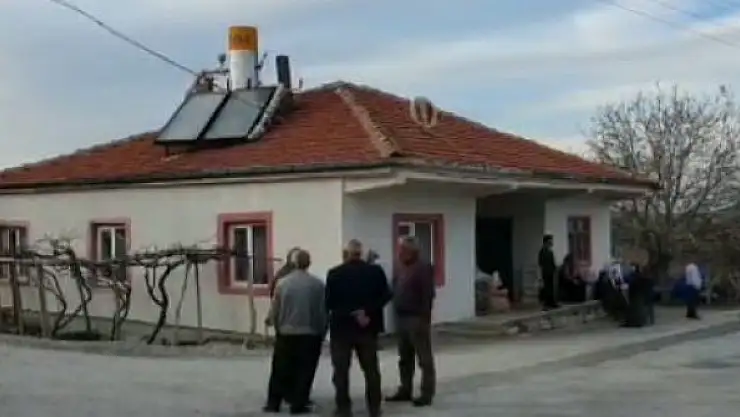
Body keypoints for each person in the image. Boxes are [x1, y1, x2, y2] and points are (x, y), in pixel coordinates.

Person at [326, 240, 392, 417]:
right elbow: (386, 295)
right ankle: (374, 407)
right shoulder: (375, 272)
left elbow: (330, 303)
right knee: (371, 370)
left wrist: (352, 312)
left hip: (342, 329)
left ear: (346, 254)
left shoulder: (335, 274)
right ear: (360, 253)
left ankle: (343, 408)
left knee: (341, 371)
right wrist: (366, 311)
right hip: (368, 327)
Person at [263, 249, 327, 415]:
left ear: (294, 263)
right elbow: (322, 311)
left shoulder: (283, 283)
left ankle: (273, 403)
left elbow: (275, 307)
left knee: (280, 369)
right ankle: (298, 403)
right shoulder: (318, 285)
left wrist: (273, 322)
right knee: (305, 370)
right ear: (309, 263)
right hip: (309, 333)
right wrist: (322, 330)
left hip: (286, 332)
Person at [386, 236, 437, 407]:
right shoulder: (400, 267)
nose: (399, 253)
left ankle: (426, 393)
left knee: (424, 358)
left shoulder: (423, 267)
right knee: (404, 357)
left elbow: (428, 295)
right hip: (401, 317)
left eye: (402, 250)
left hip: (416, 318)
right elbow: (393, 289)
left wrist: (424, 318)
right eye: (399, 249)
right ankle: (405, 389)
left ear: (412, 251)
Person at [538, 234, 559, 310]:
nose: (551, 243)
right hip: (545, 272)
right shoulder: (542, 252)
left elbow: (553, 262)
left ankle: (552, 302)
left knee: (551, 288)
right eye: (550, 241)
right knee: (547, 288)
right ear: (546, 242)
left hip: (551, 272)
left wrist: (555, 269)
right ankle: (546, 303)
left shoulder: (550, 252)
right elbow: (540, 263)